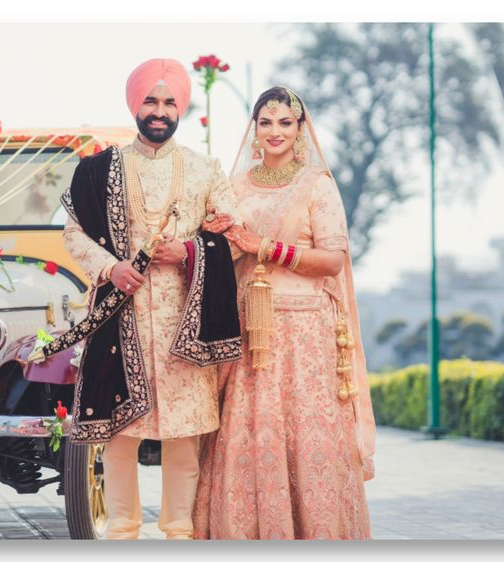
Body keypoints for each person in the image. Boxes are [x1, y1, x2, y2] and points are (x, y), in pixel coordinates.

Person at [60, 58, 240, 540]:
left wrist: (186, 251)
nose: (159, 111)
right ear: (135, 106)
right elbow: (74, 236)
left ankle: (178, 533)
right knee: (120, 435)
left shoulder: (206, 170)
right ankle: (122, 533)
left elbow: (230, 234)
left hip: (185, 322)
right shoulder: (98, 170)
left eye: (169, 102)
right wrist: (110, 268)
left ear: (179, 108)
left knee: (184, 437)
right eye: (150, 101)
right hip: (123, 317)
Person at [192, 86, 376, 540]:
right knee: (248, 434)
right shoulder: (234, 186)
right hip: (248, 328)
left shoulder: (317, 185)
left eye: (285, 122)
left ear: (299, 129)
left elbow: (332, 260)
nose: (275, 131)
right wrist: (218, 238)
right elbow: (222, 254)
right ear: (255, 129)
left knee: (306, 435)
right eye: (266, 122)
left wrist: (264, 246)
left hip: (305, 333)